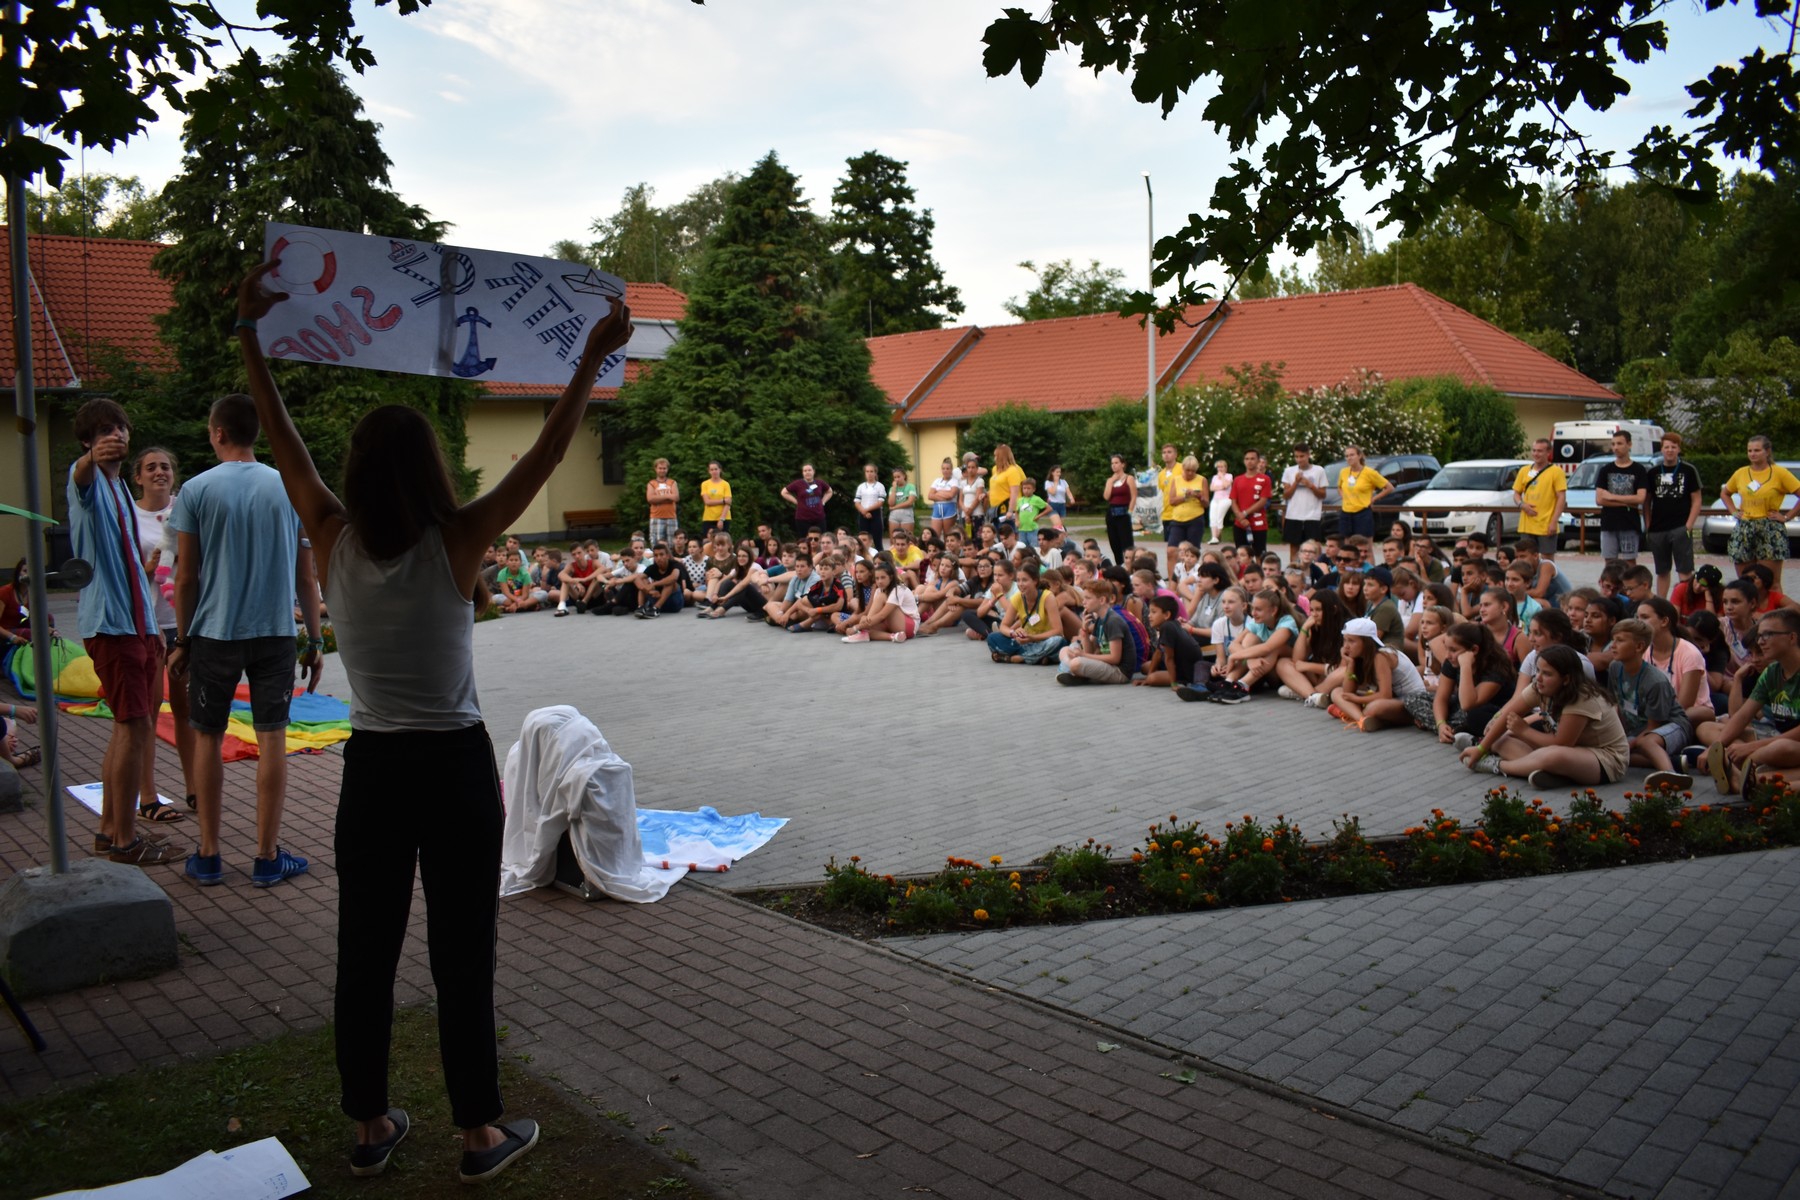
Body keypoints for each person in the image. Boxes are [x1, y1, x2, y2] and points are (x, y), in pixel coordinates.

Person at [234, 259, 633, 1182]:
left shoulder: (330, 536)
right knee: (463, 952)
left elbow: (285, 444)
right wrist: (589, 358)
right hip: (453, 767)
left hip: (373, 769)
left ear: (356, 471)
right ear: (429, 469)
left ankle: (369, 1125)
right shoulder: (456, 541)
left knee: (364, 950)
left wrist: (251, 333)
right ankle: (479, 1134)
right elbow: (544, 456)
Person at [167, 394, 322, 887]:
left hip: (214, 633)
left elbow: (185, 577)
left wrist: (183, 640)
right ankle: (266, 856)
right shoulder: (289, 487)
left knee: (208, 737)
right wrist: (315, 640)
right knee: (272, 737)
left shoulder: (196, 490)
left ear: (218, 433)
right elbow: (306, 577)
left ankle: (209, 854)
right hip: (275, 633)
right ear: (256, 433)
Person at [67, 398, 184, 866]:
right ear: (87, 442)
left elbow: (134, 566)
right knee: (135, 728)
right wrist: (88, 460)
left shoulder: (117, 487)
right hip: (112, 626)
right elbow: (79, 477)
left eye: (120, 428)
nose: (115, 436)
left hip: (136, 625)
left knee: (126, 729)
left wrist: (152, 627)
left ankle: (109, 831)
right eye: (104, 432)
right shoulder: (90, 480)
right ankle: (125, 842)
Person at [1459, 644, 1631, 788]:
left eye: (1547, 674)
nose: (1539, 678)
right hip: (1569, 753)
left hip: (1605, 760)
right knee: (1498, 737)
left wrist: (1523, 731)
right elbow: (1508, 715)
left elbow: (1562, 744)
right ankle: (1553, 775)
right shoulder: (1539, 687)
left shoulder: (1581, 697)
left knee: (1553, 756)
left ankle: (1497, 765)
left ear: (1566, 679)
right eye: (1538, 671)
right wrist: (1482, 748)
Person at [131, 446, 197, 818]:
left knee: (187, 709)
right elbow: (122, 572)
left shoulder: (185, 508)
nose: (160, 472)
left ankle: (194, 788)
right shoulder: (130, 515)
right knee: (150, 710)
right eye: (151, 467)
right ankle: (148, 796)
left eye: (166, 466)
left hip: (183, 623)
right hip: (149, 626)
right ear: (138, 477)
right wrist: (147, 567)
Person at [1699, 608, 1800, 795]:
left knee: (1780, 747)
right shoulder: (1772, 672)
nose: (1760, 641)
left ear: (1792, 638)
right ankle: (1746, 773)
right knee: (1707, 727)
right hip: (1776, 737)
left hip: (1789, 744)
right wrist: (1716, 747)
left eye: (1768, 635)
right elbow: (1742, 715)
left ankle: (1742, 772)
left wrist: (1750, 749)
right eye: (1760, 635)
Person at [1607, 618, 1694, 790]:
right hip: (1639, 730)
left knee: (1645, 743)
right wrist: (1619, 739)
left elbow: (1654, 726)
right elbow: (1615, 704)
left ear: (1639, 647)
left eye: (1620, 640)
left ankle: (1670, 774)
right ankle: (1675, 762)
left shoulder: (1655, 681)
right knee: (1609, 752)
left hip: (1671, 726)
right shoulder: (1615, 668)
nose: (1613, 645)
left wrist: (1627, 745)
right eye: (1613, 640)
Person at [1329, 616, 1428, 731]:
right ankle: (1362, 719)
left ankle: (1363, 717)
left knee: (1373, 708)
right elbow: (1347, 692)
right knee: (1336, 692)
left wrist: (1356, 699)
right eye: (1345, 640)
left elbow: (1385, 695)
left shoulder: (1381, 656)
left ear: (1366, 642)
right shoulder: (1359, 657)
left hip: (1413, 703)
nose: (1346, 646)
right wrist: (1350, 664)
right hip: (1394, 700)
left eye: (1351, 641)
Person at [1642, 433, 1703, 598]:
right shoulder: (1653, 472)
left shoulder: (1688, 470)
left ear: (1679, 449)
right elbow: (1646, 501)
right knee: (1662, 570)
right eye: (1666, 447)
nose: (1670, 450)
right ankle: (1661, 603)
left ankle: (1686, 601)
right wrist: (1648, 524)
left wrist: (1688, 526)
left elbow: (1697, 500)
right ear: (1661, 449)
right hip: (1658, 528)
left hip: (1680, 526)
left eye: (1673, 447)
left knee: (1685, 570)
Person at [986, 558, 1065, 664]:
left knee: (1058, 641)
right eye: (1018, 580)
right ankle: (1038, 657)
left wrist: (1032, 638)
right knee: (992, 638)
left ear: (1035, 581)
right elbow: (1003, 626)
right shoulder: (1017, 598)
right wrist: (1014, 633)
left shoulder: (1047, 597)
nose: (1020, 584)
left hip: (1043, 640)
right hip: (1025, 642)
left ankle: (1018, 658)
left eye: (1024, 580)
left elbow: (1058, 631)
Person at [1057, 577, 1134, 685]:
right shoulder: (1100, 619)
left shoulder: (1113, 621)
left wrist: (1082, 655)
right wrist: (1084, 631)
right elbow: (1090, 651)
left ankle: (1072, 671)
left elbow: (1115, 658)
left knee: (1076, 663)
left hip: (1119, 671)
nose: (1083, 602)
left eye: (1088, 598)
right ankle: (1076, 672)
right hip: (1106, 665)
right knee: (1065, 650)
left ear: (1102, 600)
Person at [1594, 430, 1650, 565]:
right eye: (1613, 444)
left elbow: (1640, 498)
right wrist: (1627, 502)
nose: (1616, 447)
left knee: (1630, 561)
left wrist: (1612, 497)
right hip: (1609, 523)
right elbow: (1600, 500)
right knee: (1610, 562)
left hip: (1629, 523)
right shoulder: (1605, 470)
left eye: (1619, 443)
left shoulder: (1638, 470)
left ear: (1629, 444)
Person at [1510, 438, 1567, 556]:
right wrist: (1522, 505)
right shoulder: (1524, 471)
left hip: (1546, 525)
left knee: (1547, 558)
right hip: (1526, 525)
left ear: (1548, 452)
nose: (1536, 454)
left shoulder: (1556, 472)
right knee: (1525, 557)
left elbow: (1561, 497)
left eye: (1540, 451)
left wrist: (1554, 521)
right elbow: (1516, 493)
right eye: (1534, 450)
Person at [840, 560, 918, 643]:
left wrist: (857, 627)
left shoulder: (898, 589)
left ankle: (862, 632)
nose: (879, 581)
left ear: (891, 577)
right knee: (867, 629)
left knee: (881, 598)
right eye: (877, 578)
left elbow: (882, 615)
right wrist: (864, 621)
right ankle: (893, 636)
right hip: (892, 624)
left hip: (909, 626)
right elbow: (874, 614)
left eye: (883, 577)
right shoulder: (879, 590)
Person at [1281, 444, 1328, 567]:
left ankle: (1317, 571)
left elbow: (1323, 494)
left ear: (1308, 455)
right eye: (1296, 456)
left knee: (1315, 548)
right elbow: (1286, 495)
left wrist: (1310, 485)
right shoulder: (1289, 471)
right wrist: (1295, 483)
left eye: (1302, 456)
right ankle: (1294, 572)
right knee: (1294, 548)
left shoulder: (1319, 470)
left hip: (1312, 515)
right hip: (1293, 515)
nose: (1299, 459)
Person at [1162, 455, 1207, 577]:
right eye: (1188, 470)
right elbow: (1172, 501)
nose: (1190, 473)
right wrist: (1185, 496)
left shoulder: (1202, 480)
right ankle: (1172, 580)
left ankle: (1192, 578)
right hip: (1178, 519)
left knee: (1192, 552)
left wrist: (1199, 497)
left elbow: (1206, 503)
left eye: (1193, 471)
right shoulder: (1176, 480)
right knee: (1171, 551)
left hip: (1195, 519)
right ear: (1183, 468)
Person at [1335, 445, 1393, 540]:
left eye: (1352, 455)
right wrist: (1344, 497)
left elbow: (1389, 488)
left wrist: (1374, 499)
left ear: (1359, 456)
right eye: (1347, 456)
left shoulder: (1370, 472)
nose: (1349, 458)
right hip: (1346, 512)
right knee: (1347, 542)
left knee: (1364, 542)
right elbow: (1339, 487)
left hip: (1362, 512)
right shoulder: (1343, 472)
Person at [1229, 449, 1274, 557]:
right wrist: (1240, 517)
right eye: (1247, 459)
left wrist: (1245, 513)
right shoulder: (1237, 479)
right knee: (1241, 555)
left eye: (1252, 459)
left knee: (1259, 555)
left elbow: (1263, 501)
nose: (1249, 461)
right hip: (1240, 524)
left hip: (1258, 524)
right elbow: (1233, 500)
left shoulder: (1265, 479)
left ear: (1258, 461)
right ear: (1244, 461)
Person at [780, 464, 832, 538]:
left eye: (809, 470)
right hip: (803, 518)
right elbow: (784, 492)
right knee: (805, 540)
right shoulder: (797, 483)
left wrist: (823, 501)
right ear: (802, 473)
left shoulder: (819, 482)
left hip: (819, 517)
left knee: (821, 538)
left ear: (813, 471)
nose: (807, 472)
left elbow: (829, 491)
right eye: (805, 471)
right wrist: (796, 502)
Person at [1103, 454, 1137, 565]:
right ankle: (1119, 565)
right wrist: (1111, 481)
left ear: (1123, 464)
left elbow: (1134, 496)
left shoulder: (1129, 478)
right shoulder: (1110, 480)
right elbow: (1106, 497)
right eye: (1112, 463)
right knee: (1114, 542)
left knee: (1126, 543)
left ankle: (1130, 565)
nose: (1114, 465)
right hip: (1112, 513)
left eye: (1116, 463)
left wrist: (1130, 512)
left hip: (1124, 512)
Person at [853, 462, 887, 554]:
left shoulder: (879, 486)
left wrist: (866, 510)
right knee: (862, 539)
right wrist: (863, 512)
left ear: (875, 473)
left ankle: (880, 557)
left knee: (877, 540)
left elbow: (880, 502)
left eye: (871, 471)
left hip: (875, 513)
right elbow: (857, 502)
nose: (869, 474)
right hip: (863, 513)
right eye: (867, 471)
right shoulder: (861, 486)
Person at [644, 458, 679, 548]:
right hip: (656, 517)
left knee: (672, 544)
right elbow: (650, 499)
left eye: (664, 468)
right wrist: (668, 496)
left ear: (667, 469)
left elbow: (676, 497)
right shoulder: (651, 484)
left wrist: (659, 498)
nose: (662, 470)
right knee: (656, 543)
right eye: (660, 468)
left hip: (671, 517)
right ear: (655, 469)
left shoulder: (672, 483)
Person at [927, 458, 960, 541]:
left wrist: (938, 492)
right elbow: (930, 496)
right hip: (937, 509)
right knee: (935, 535)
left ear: (951, 470)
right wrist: (945, 494)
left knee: (948, 535)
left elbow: (951, 495)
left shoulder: (954, 481)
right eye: (943, 468)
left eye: (947, 469)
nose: (945, 471)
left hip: (949, 508)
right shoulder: (937, 481)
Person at [1014, 477, 1050, 549]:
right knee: (1022, 548)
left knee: (1034, 548)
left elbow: (1049, 508)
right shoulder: (1020, 500)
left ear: (1034, 489)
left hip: (1032, 529)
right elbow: (1016, 511)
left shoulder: (1036, 499)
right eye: (1024, 488)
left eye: (1028, 488)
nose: (1026, 490)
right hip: (1021, 529)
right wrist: (1017, 520)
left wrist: (1038, 516)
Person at [698, 461, 732, 536]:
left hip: (724, 518)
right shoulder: (705, 484)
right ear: (709, 471)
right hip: (708, 517)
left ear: (720, 470)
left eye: (716, 469)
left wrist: (721, 519)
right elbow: (707, 502)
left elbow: (728, 503)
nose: (714, 471)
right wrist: (723, 501)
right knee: (707, 539)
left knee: (723, 539)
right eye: (712, 469)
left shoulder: (725, 484)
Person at [1206, 458, 1234, 545]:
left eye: (1222, 467)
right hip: (1215, 499)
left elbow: (1226, 485)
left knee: (1219, 517)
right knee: (1212, 517)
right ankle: (1214, 537)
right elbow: (1211, 488)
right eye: (1218, 467)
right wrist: (1221, 487)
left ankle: (1216, 537)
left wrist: (1222, 477)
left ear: (1226, 468)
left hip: (1225, 499)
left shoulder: (1229, 476)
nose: (1220, 469)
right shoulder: (1215, 477)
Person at [887, 467, 918, 539]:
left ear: (904, 476)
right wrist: (894, 489)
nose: (896, 479)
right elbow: (891, 503)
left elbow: (909, 502)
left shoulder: (910, 487)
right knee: (893, 538)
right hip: (894, 515)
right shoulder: (892, 489)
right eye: (895, 477)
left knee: (907, 537)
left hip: (906, 513)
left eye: (898, 477)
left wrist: (894, 507)